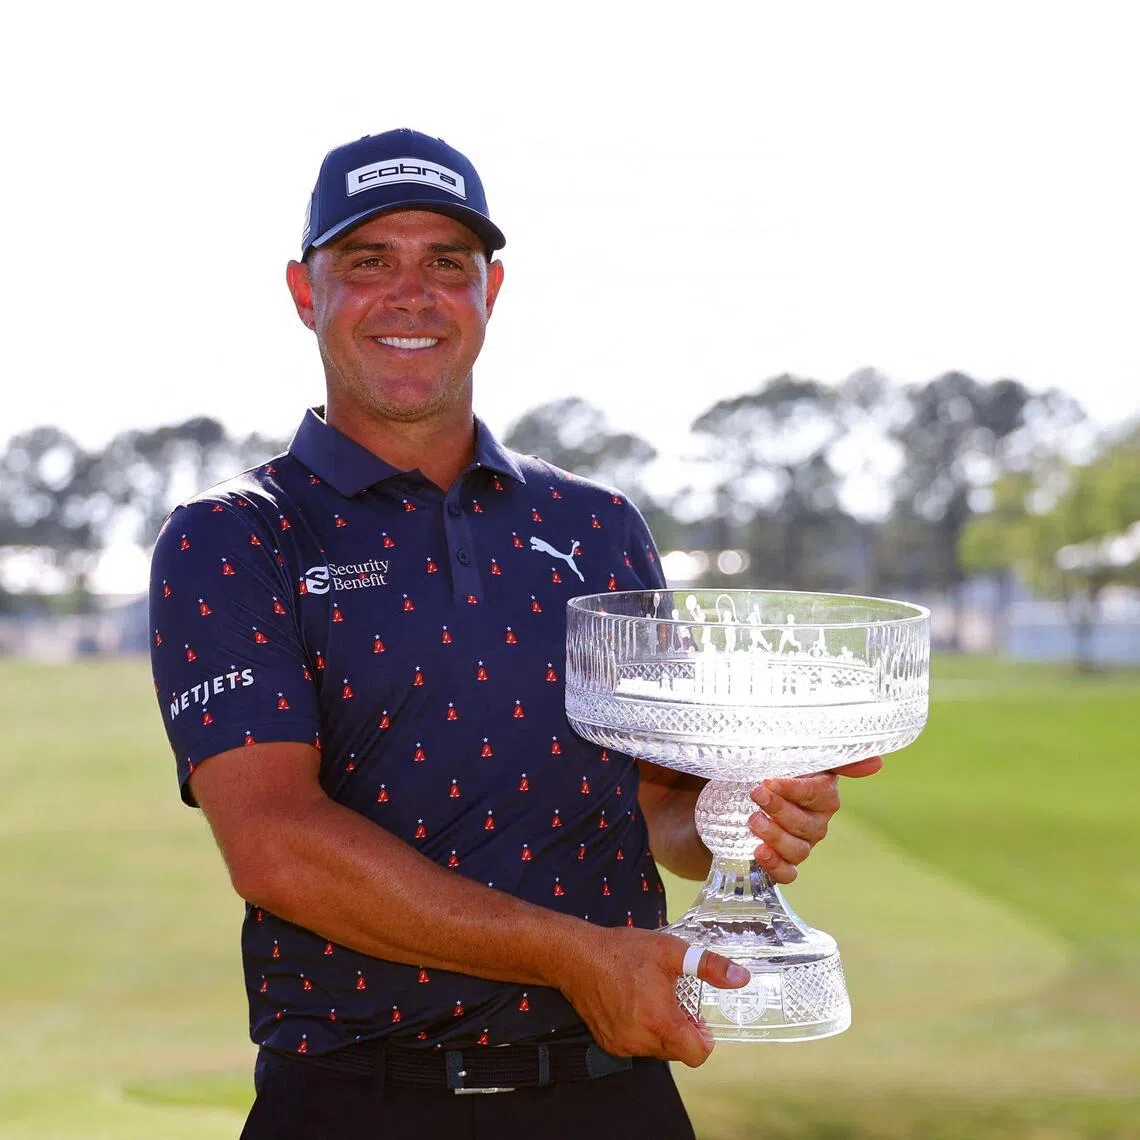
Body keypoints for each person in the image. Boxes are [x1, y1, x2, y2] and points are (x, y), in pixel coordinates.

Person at [148, 128, 883, 1140]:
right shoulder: (235, 535)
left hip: (610, 1095)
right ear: (303, 291)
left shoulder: (597, 524)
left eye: (446, 263)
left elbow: (656, 808)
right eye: (368, 262)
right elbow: (276, 846)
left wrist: (736, 814)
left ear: (490, 290)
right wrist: (579, 955)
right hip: (357, 1103)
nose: (411, 292)